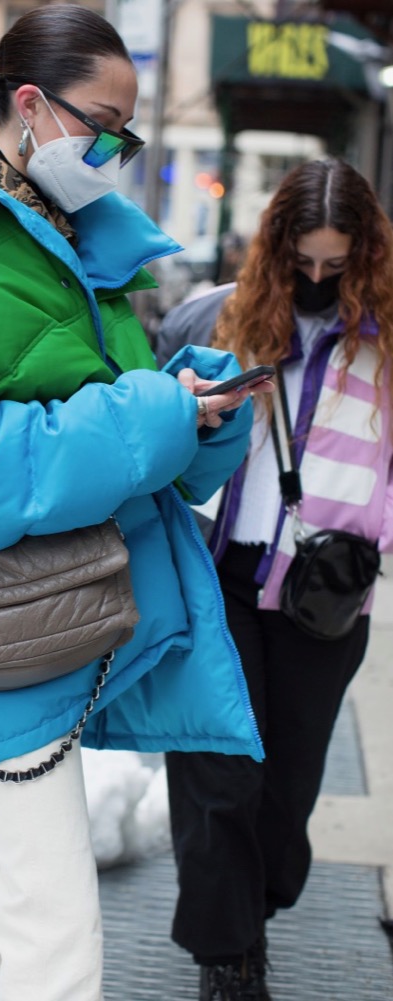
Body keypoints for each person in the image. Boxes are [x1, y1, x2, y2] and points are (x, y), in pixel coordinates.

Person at [0, 7, 270, 1000]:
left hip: (30, 622)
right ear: (30, 106)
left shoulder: (61, 250)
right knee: (55, 923)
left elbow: (125, 442)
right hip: (2, 626)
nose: (118, 151)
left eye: (128, 133)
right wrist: (148, 412)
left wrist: (191, 411)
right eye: (107, 126)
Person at [160, 158, 393, 1001]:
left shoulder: (386, 339)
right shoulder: (226, 319)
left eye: (337, 264)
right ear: (277, 247)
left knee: (285, 787)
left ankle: (249, 914)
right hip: (221, 575)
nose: (319, 279)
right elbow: (159, 426)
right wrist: (189, 409)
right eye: (304, 262)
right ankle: (226, 957)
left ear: (365, 251)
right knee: (217, 769)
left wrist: (370, 536)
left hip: (322, 597)